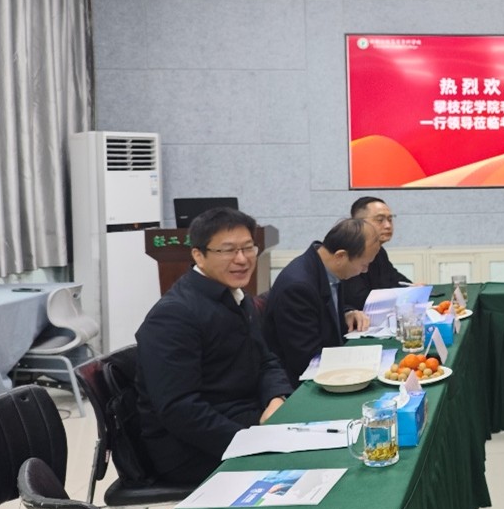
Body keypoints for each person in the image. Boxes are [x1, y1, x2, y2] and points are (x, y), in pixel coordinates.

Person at [135, 208, 294, 483]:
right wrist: (248, 441)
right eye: (228, 250)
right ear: (198, 255)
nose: (242, 259)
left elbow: (265, 360)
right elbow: (180, 409)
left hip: (243, 418)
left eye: (248, 248)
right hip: (191, 449)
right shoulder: (174, 315)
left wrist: (276, 399)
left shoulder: (237, 297)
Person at [263, 218, 381, 383]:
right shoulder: (298, 288)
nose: (365, 271)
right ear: (341, 256)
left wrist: (347, 312)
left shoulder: (328, 267)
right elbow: (306, 358)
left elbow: (324, 309)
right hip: (303, 382)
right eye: (364, 264)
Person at [340, 196, 411, 311]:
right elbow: (359, 299)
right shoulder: (348, 253)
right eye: (380, 220)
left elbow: (394, 278)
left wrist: (412, 288)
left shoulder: (379, 251)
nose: (388, 226)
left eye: (390, 219)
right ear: (358, 223)